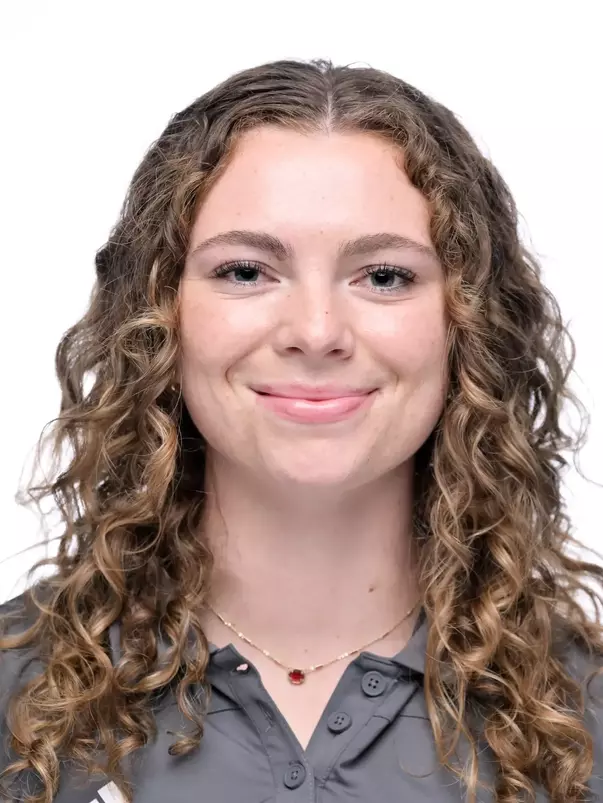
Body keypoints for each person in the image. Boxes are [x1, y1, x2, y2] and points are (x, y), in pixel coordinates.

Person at [1, 57, 602, 803]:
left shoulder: (586, 712)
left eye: (383, 276)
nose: (316, 332)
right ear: (157, 314)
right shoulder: (14, 697)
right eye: (247, 271)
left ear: (469, 325)